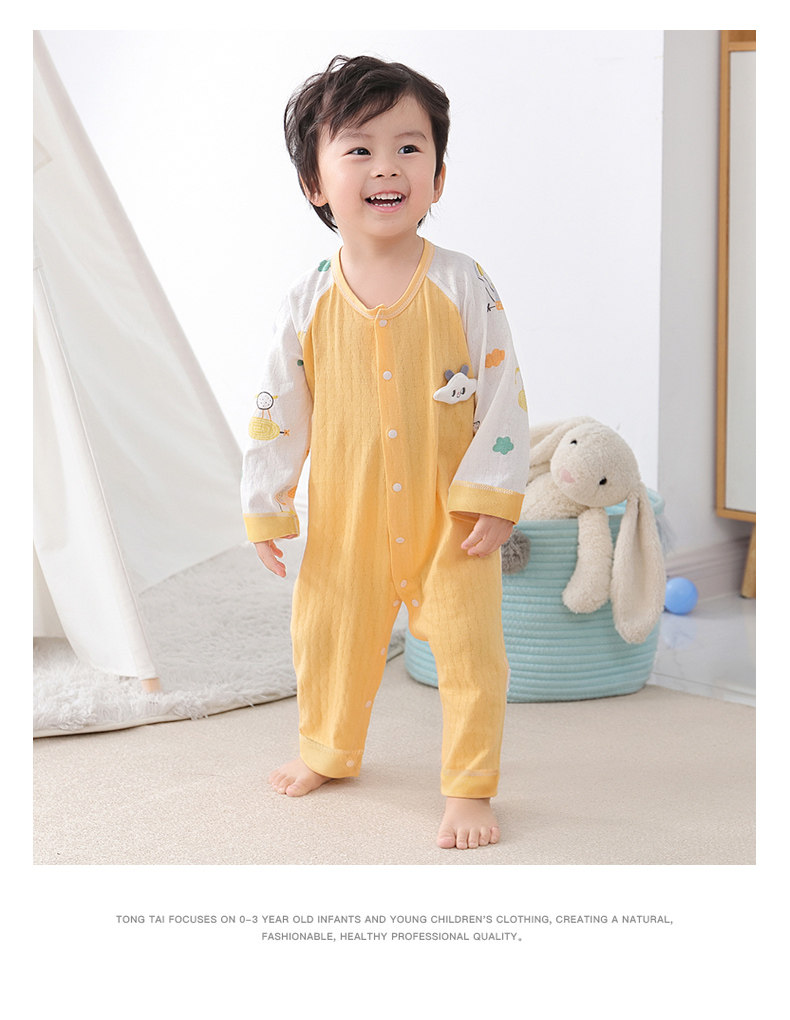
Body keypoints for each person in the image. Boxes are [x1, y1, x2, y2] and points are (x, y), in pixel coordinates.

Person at [241, 54, 529, 850]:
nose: (387, 167)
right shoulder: (305, 301)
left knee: (472, 653)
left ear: (438, 177)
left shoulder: (464, 283)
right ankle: (327, 749)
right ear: (315, 182)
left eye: (409, 147)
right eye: (359, 149)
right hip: (347, 521)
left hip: (450, 521)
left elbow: (503, 395)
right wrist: (268, 504)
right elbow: (277, 410)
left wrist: (494, 496)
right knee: (328, 638)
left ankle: (469, 787)